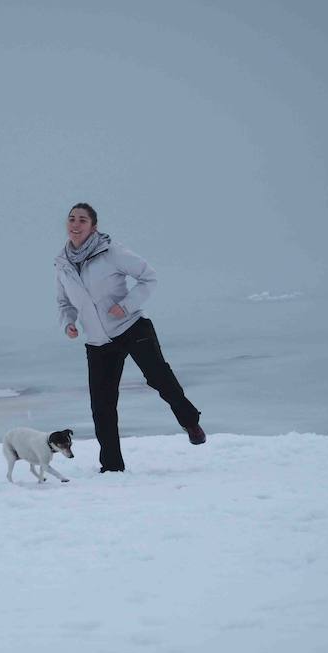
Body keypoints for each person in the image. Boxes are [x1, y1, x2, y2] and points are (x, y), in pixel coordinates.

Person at [54, 202, 206, 473]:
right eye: (72, 219)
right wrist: (68, 323)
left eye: (82, 220)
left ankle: (190, 422)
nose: (75, 225)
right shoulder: (63, 263)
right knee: (102, 406)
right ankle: (112, 467)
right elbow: (63, 302)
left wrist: (124, 306)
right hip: (98, 342)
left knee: (160, 378)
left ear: (93, 227)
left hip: (132, 327)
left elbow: (149, 277)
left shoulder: (111, 252)